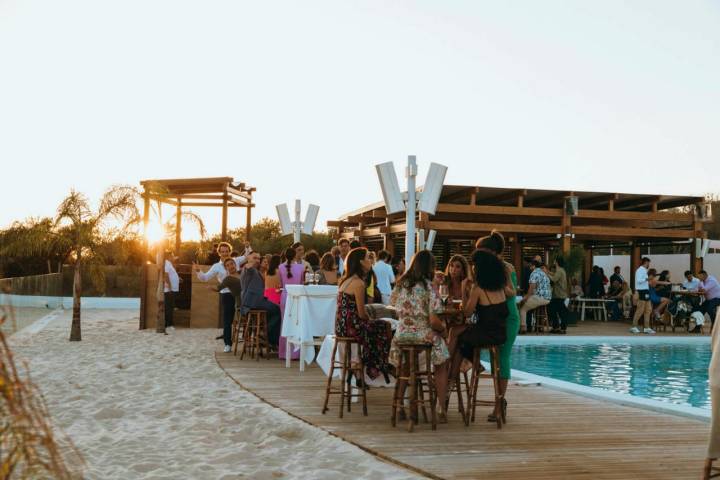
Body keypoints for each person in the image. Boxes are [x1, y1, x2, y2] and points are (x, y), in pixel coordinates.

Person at [389, 250, 450, 421]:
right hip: (423, 335)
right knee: (442, 362)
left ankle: (400, 405)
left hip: (401, 335)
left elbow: (393, 306)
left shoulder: (401, 284)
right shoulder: (429, 287)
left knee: (406, 366)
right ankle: (441, 409)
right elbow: (434, 320)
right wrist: (444, 332)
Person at [455, 248, 509, 421]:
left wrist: (464, 291)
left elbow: (467, 313)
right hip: (500, 335)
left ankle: (465, 368)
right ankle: (471, 364)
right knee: (464, 336)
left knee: (459, 339)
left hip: (485, 335)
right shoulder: (500, 288)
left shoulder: (479, 289)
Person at [475, 231, 519, 422]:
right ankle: (498, 401)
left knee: (502, 358)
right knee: (495, 361)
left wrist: (494, 284)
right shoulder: (480, 267)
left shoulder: (505, 268)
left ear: (492, 252)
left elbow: (512, 292)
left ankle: (499, 403)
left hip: (507, 317)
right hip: (491, 318)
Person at [336, 247, 392, 382]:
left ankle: (369, 366)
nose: (371, 261)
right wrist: (372, 318)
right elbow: (361, 314)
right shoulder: (359, 283)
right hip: (352, 327)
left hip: (341, 326)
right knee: (385, 326)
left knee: (378, 326)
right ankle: (380, 366)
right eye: (368, 257)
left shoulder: (345, 280)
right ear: (361, 262)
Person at [194, 242, 249, 352]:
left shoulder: (236, 261)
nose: (225, 253)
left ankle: (247, 342)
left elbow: (247, 256)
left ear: (229, 251)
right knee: (227, 320)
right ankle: (228, 344)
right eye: (222, 251)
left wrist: (247, 246)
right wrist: (198, 271)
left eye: (227, 251)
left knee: (245, 317)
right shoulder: (216, 266)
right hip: (226, 294)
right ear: (219, 253)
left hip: (240, 294)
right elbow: (205, 278)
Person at [239, 252, 281, 348]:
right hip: (253, 301)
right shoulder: (249, 269)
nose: (257, 260)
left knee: (273, 311)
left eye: (258, 258)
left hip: (255, 301)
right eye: (254, 258)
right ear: (248, 258)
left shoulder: (255, 270)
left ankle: (268, 340)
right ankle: (265, 335)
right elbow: (248, 268)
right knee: (278, 309)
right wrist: (249, 263)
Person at [278, 248, 306, 360]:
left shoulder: (280, 267)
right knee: (297, 324)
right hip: (297, 297)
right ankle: (296, 353)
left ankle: (284, 352)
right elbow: (302, 283)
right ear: (295, 255)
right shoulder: (301, 267)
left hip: (285, 297)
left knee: (284, 324)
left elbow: (280, 285)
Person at [518, 260, 551, 333]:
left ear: (533, 266)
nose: (530, 267)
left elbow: (532, 287)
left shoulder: (534, 273)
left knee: (522, 308)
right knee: (528, 302)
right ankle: (534, 326)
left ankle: (523, 328)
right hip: (547, 298)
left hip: (540, 298)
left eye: (531, 266)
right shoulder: (543, 273)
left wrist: (525, 298)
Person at [630, 257, 655, 334]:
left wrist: (649, 281)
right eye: (648, 263)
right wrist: (648, 279)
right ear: (645, 262)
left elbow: (644, 282)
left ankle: (646, 327)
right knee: (640, 309)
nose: (648, 265)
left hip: (645, 291)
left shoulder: (644, 270)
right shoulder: (640, 270)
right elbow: (639, 281)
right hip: (641, 291)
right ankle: (633, 326)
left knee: (648, 309)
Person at [547, 257, 569, 333]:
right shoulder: (561, 270)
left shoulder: (559, 270)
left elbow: (554, 279)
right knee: (553, 310)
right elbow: (554, 274)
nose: (554, 261)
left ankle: (562, 328)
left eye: (554, 260)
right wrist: (547, 272)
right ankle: (556, 327)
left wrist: (547, 273)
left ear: (557, 262)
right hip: (558, 295)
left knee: (559, 311)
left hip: (559, 295)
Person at [163, 252, 180, 332]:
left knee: (170, 307)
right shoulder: (166, 263)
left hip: (172, 289)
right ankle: (168, 325)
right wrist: (169, 287)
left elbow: (171, 274)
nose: (174, 257)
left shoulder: (169, 264)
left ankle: (169, 324)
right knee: (169, 308)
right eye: (173, 256)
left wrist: (178, 278)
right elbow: (166, 275)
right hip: (169, 290)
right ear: (169, 256)